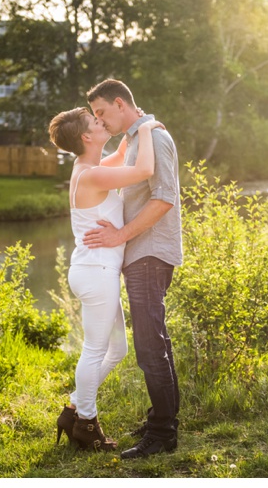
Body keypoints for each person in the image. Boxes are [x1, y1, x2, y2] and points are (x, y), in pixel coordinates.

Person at [47, 106, 164, 451]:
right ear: (87, 136)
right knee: (96, 350)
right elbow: (144, 169)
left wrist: (132, 127)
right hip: (96, 272)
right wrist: (145, 127)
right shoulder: (91, 175)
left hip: (95, 270)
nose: (102, 122)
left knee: (118, 349)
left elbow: (121, 156)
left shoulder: (88, 167)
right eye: (96, 122)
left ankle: (73, 407)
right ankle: (86, 423)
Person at [83, 79, 183, 460]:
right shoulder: (139, 135)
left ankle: (162, 435)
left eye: (102, 113)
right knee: (155, 340)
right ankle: (163, 420)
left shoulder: (153, 138)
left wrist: (120, 235)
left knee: (147, 345)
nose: (100, 121)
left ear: (120, 103)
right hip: (140, 253)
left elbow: (165, 200)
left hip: (150, 253)